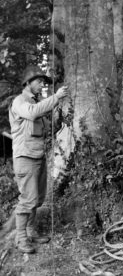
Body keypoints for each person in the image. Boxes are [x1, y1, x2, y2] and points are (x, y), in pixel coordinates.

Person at [9, 65, 68, 253]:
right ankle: (21, 238)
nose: (42, 84)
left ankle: (31, 232)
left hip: (38, 156)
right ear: (28, 83)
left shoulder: (37, 103)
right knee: (28, 199)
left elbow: (47, 122)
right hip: (25, 157)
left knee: (38, 198)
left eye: (43, 81)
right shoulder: (20, 102)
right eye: (39, 81)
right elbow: (33, 112)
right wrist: (56, 97)